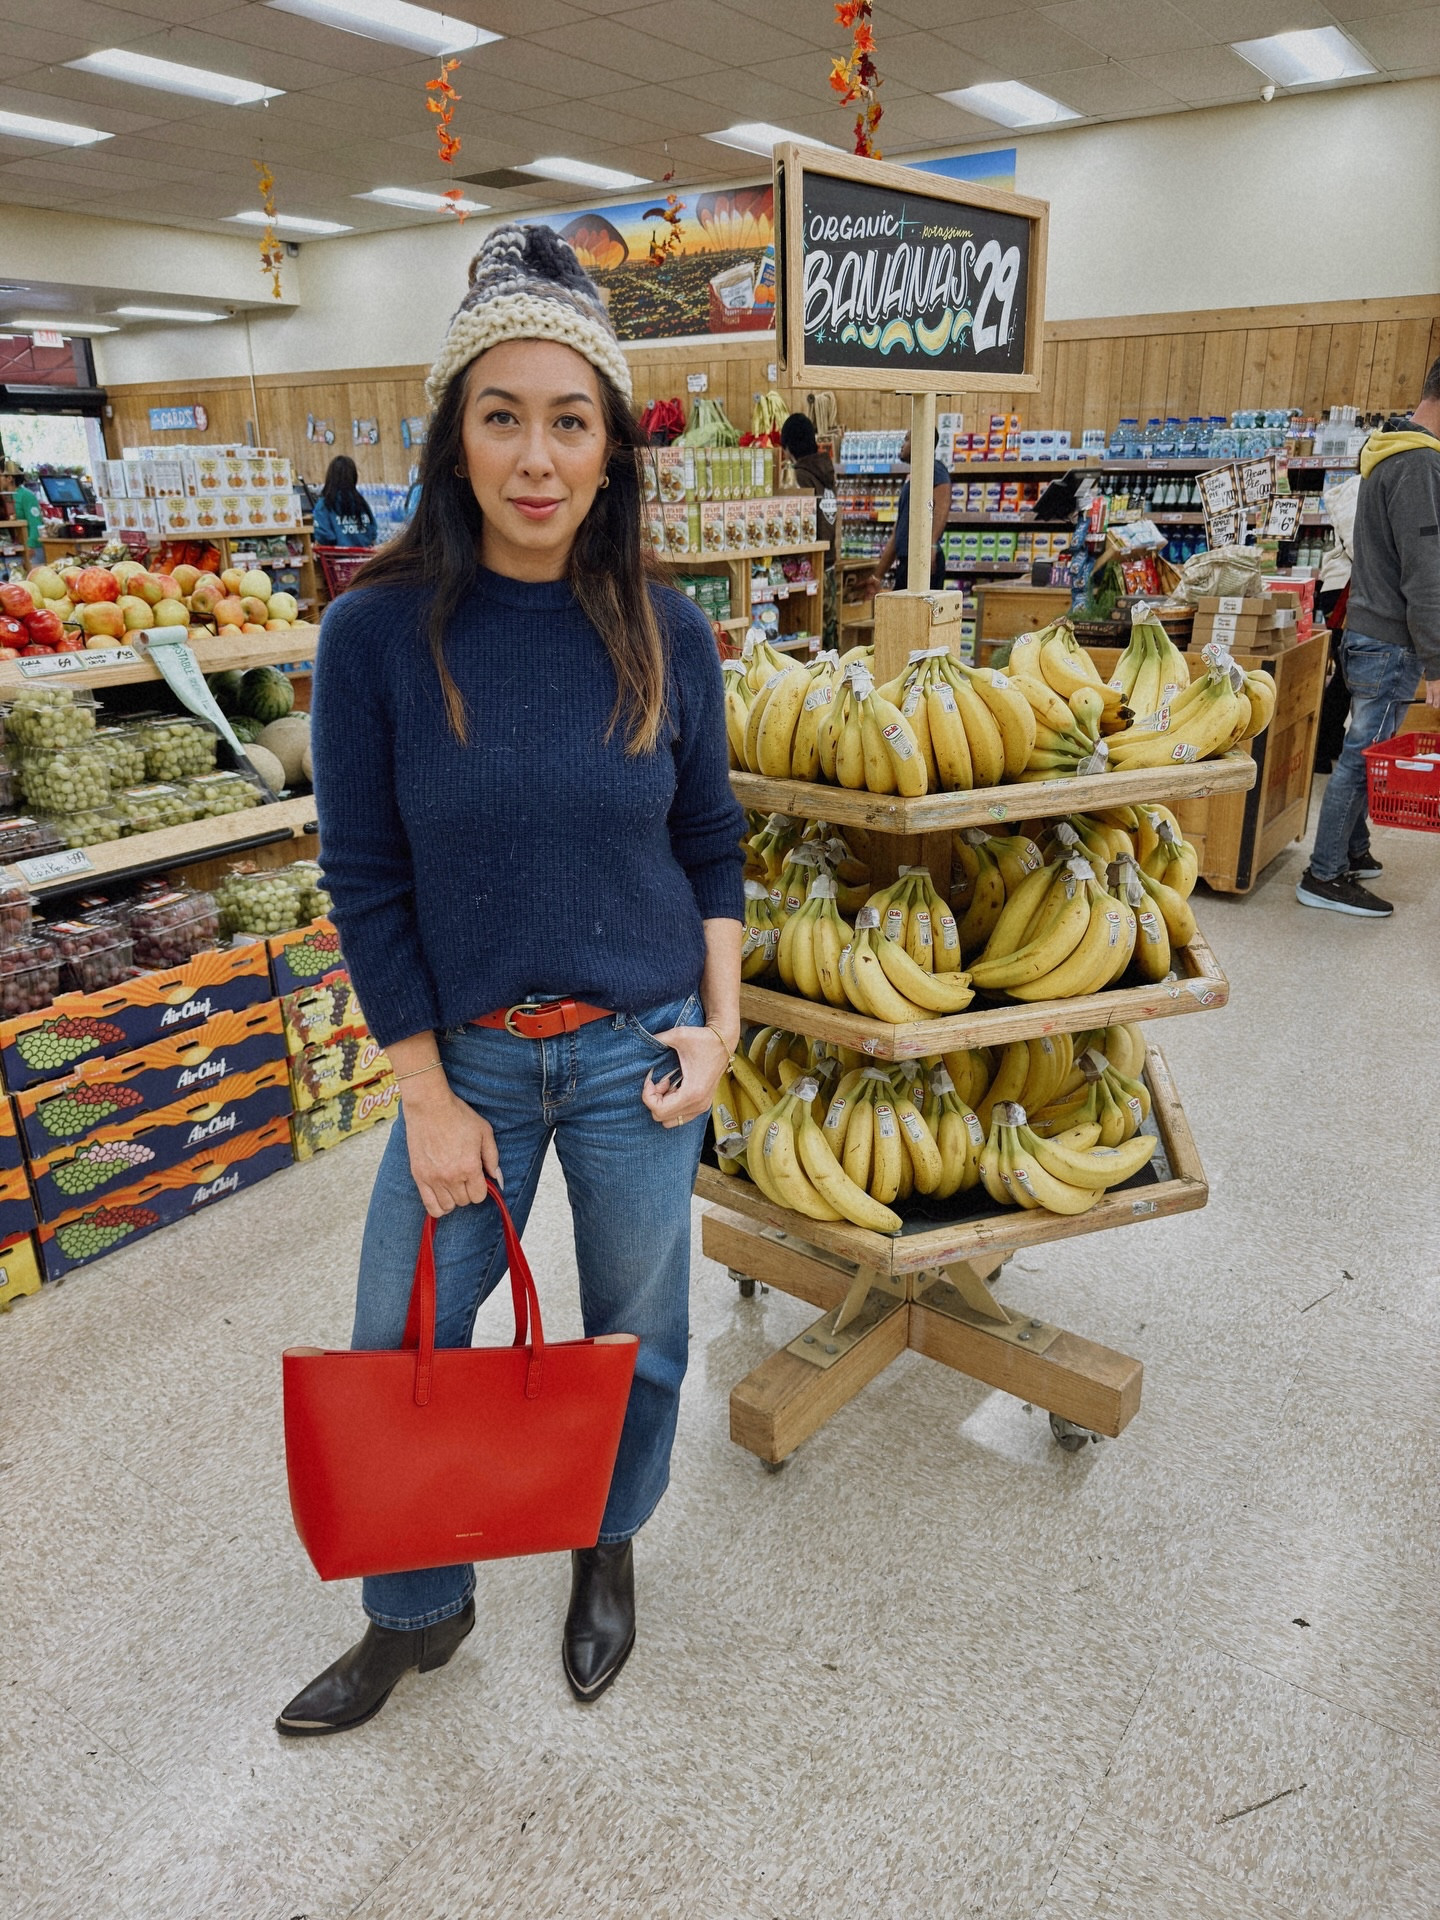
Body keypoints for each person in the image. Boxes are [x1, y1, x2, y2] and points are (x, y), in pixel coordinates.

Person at [281, 224, 745, 1736]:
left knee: (638, 1335)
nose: (536, 456)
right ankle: (416, 1611)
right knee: (402, 1340)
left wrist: (723, 1027)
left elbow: (712, 846)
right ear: (454, 438)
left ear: (610, 448)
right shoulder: (373, 637)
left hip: (634, 1056)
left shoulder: (668, 634)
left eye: (569, 420)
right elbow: (367, 879)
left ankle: (604, 1546)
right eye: (503, 416)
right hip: (465, 1062)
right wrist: (420, 1091)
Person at [1297, 370, 1440, 917]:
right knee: (1364, 756)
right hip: (1391, 639)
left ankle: (1352, 851)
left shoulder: (1387, 452)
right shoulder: (1421, 463)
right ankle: (1324, 874)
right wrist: (1437, 662)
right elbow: (1426, 573)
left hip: (1367, 629)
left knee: (1362, 745)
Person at [862, 430, 951, 594]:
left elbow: (942, 504)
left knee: (916, 616)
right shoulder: (913, 478)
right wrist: (877, 576)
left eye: (907, 439)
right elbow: (898, 533)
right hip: (908, 561)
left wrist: (930, 544)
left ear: (919, 443)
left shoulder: (933, 468)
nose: (902, 444)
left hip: (922, 560)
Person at [779, 411, 838, 647]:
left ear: (788, 447)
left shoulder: (800, 477)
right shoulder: (825, 472)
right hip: (829, 564)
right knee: (829, 636)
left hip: (809, 566)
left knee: (817, 642)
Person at [311, 455, 377, 548]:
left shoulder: (324, 505)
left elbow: (324, 537)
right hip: (365, 558)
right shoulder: (361, 503)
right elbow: (372, 533)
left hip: (335, 560)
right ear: (354, 476)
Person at [13, 474, 44, 567]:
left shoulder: (26, 495)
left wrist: (30, 545)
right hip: (15, 547)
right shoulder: (5, 496)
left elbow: (35, 522)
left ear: (9, 478)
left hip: (31, 548)